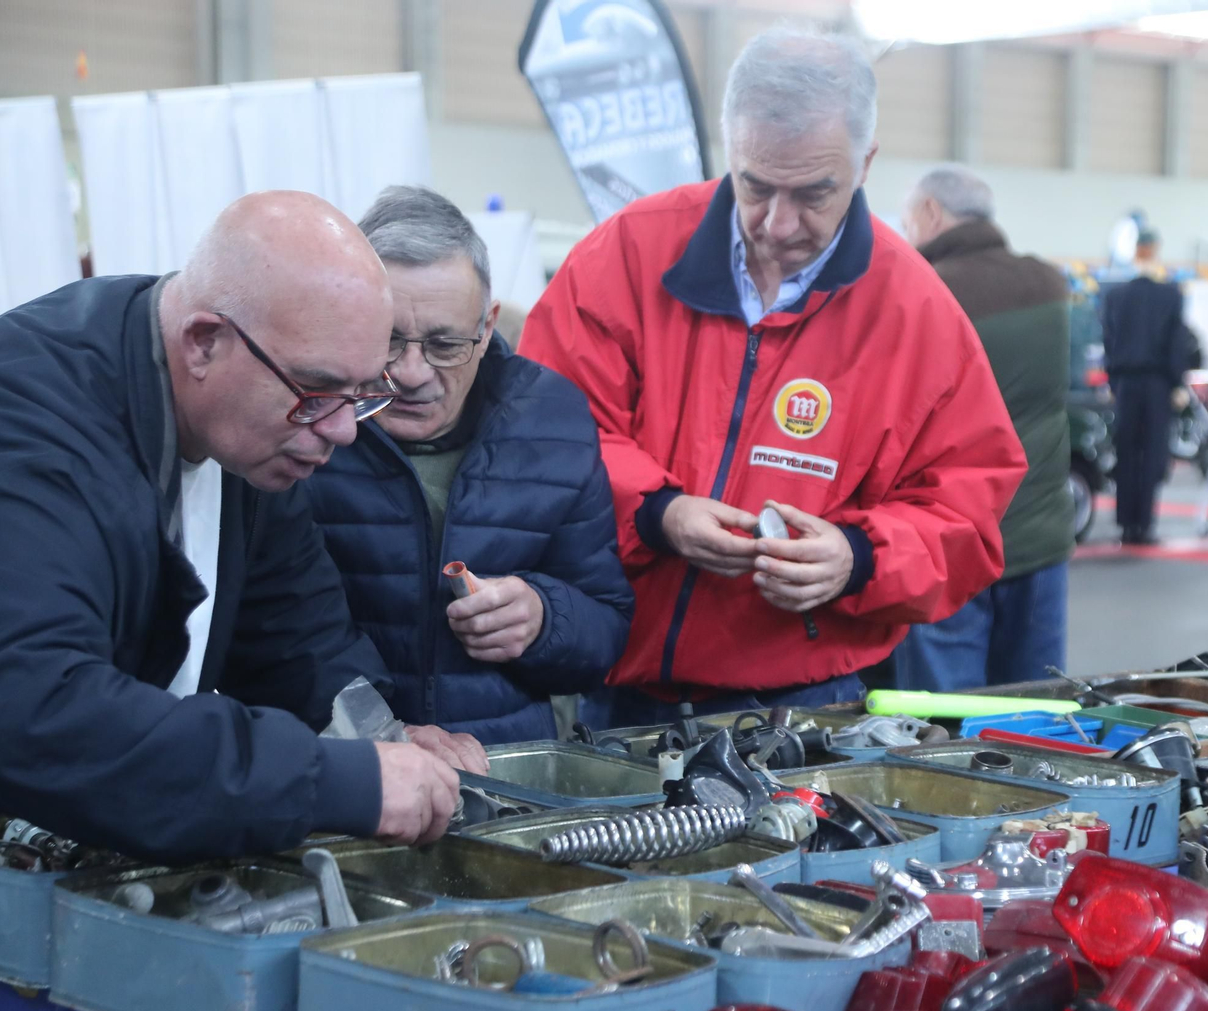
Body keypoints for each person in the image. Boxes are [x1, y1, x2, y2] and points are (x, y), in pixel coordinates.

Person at [525, 28, 1027, 729]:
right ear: (730, 148)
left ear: (865, 163)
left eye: (814, 193)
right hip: (619, 689)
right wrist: (655, 511)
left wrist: (857, 558)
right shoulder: (627, 256)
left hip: (811, 701)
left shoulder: (917, 311)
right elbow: (547, 427)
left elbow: (967, 512)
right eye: (755, 186)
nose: (778, 223)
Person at [0, 191, 485, 862]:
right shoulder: (28, 428)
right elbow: (39, 711)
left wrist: (379, 739)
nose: (341, 430)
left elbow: (296, 636)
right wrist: (335, 781)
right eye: (318, 392)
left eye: (361, 395)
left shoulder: (251, 436)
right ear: (203, 343)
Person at [305, 186, 633, 745]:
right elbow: (262, 635)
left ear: (488, 329)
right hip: (339, 768)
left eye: (444, 344)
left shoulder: (551, 424)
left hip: (510, 773)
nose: (411, 372)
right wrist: (381, 740)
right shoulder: (300, 425)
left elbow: (605, 631)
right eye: (387, 339)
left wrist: (544, 618)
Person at [892, 166, 1073, 688]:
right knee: (1034, 714)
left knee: (940, 726)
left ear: (931, 213)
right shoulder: (1049, 282)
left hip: (950, 542)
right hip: (1041, 537)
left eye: (909, 222)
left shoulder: (924, 290)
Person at [1101, 228, 1197, 545]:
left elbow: (1109, 343)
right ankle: (1145, 523)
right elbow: (1176, 342)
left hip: (1126, 383)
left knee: (1127, 451)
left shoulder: (1116, 295)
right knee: (1153, 452)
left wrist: (1113, 381)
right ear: (1154, 250)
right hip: (1157, 384)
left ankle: (1126, 524)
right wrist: (1178, 383)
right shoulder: (1170, 295)